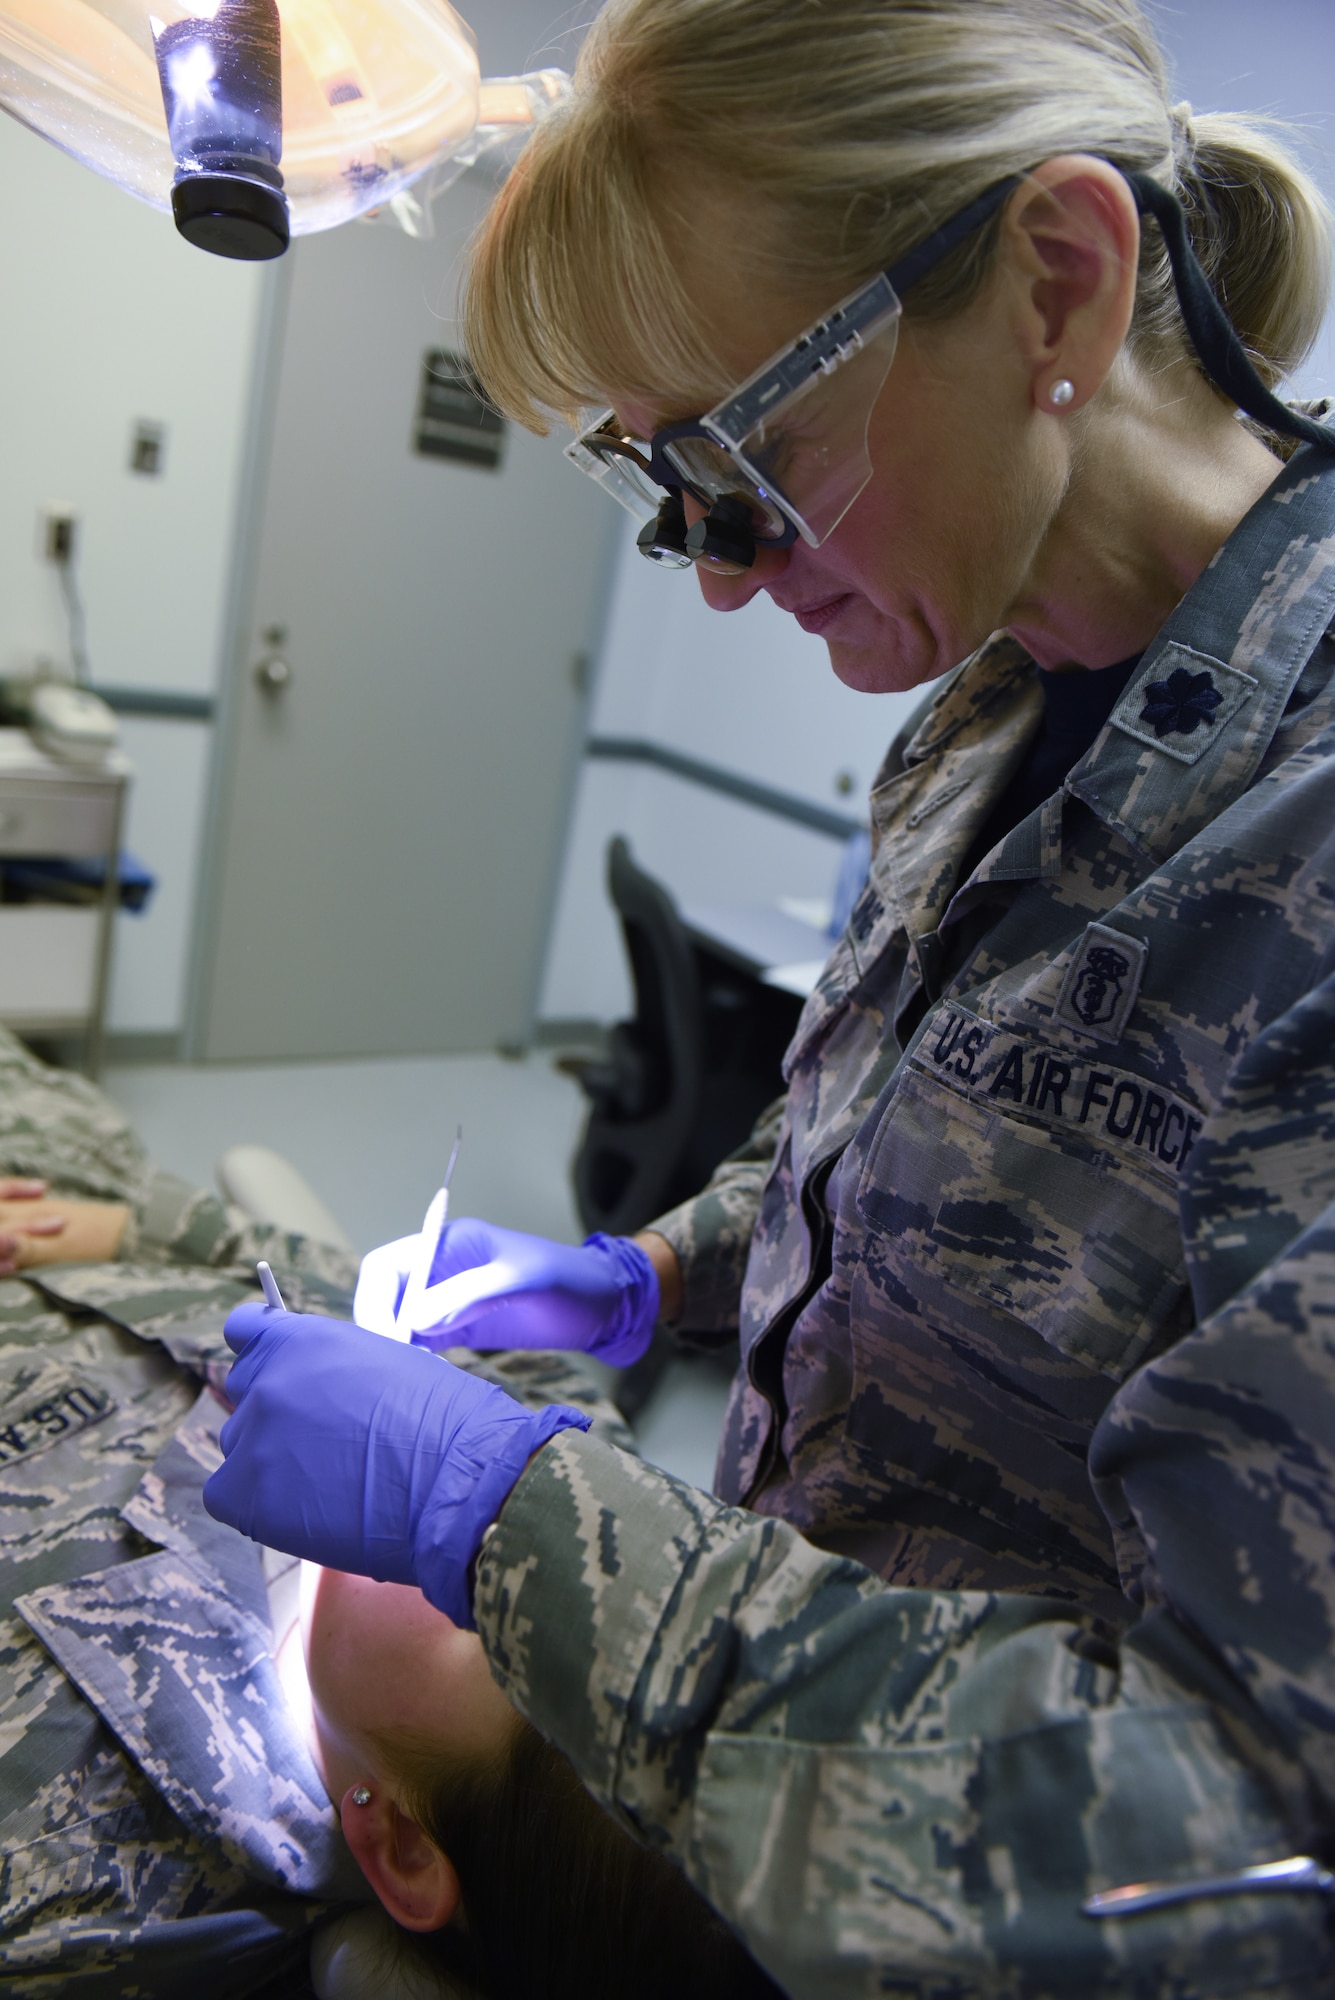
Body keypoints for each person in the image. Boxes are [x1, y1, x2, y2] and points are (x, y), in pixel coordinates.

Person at [204, 0, 1335, 1990]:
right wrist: (662, 1275)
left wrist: (497, 1508)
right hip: (779, 1827)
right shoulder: (986, 696)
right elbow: (955, 1152)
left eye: (736, 458)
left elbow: (1232, 1857)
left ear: (1053, 284)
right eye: (664, 492)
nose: (717, 575)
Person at [0, 1022, 780, 1998]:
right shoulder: (593, 1481)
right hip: (75, 1180)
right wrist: (127, 1225)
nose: (534, 1507)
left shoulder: (68, 1852)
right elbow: (309, 1265)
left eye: (489, 1591)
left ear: (399, 1840)